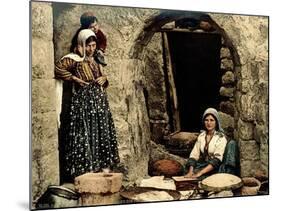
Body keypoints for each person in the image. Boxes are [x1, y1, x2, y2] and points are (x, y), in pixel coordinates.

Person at [55, 29, 119, 180]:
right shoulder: (73, 59)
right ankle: (86, 171)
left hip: (99, 103)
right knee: (86, 133)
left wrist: (104, 78)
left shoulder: (96, 59)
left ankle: (102, 169)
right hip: (83, 104)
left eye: (94, 45)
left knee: (100, 133)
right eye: (88, 45)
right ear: (80, 45)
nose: (91, 49)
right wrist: (75, 79)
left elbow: (102, 77)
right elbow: (58, 69)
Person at [184, 108, 227, 179]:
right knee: (187, 172)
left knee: (200, 177)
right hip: (203, 164)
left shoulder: (220, 138)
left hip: (214, 167)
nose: (209, 123)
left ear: (216, 122)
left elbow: (217, 160)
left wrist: (199, 173)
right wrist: (190, 172)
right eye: (206, 120)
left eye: (212, 120)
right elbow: (194, 154)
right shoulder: (202, 136)